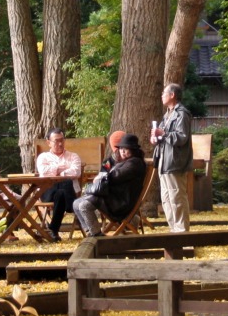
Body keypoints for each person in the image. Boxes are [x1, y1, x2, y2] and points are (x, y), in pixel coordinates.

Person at [73, 133, 148, 236]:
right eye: (121, 148)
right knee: (76, 203)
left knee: (84, 205)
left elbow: (115, 176)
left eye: (126, 148)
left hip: (120, 201)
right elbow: (109, 173)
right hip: (112, 196)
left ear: (133, 150)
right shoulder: (120, 161)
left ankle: (97, 235)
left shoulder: (135, 163)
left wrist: (101, 177)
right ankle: (90, 232)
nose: (122, 151)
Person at [150, 83, 192, 232]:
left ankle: (182, 232)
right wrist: (155, 138)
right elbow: (161, 134)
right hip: (163, 160)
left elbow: (182, 137)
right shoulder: (167, 114)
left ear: (172, 95)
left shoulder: (181, 114)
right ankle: (173, 230)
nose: (162, 95)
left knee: (177, 197)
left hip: (175, 161)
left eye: (164, 93)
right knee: (166, 198)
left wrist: (163, 134)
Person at [35, 128, 82, 242]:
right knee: (66, 181)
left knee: (61, 192)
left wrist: (57, 172)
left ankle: (53, 230)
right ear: (48, 142)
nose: (60, 143)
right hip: (48, 190)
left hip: (65, 193)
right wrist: (63, 169)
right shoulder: (43, 157)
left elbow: (76, 172)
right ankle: (72, 207)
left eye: (62, 140)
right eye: (56, 141)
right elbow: (44, 172)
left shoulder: (73, 156)